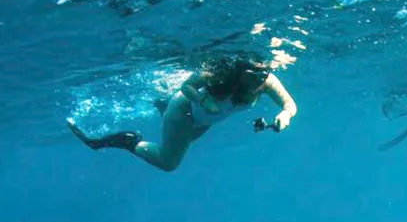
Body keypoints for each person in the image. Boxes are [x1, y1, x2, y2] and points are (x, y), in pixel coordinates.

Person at [66, 54, 298, 172]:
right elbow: (186, 87)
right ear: (239, 72)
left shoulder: (267, 82)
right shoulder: (219, 74)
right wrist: (204, 100)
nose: (258, 80)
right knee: (169, 162)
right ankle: (126, 141)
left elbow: (290, 105)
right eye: (252, 75)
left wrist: (285, 116)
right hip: (184, 114)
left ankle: (161, 104)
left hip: (204, 122)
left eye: (263, 75)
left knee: (179, 143)